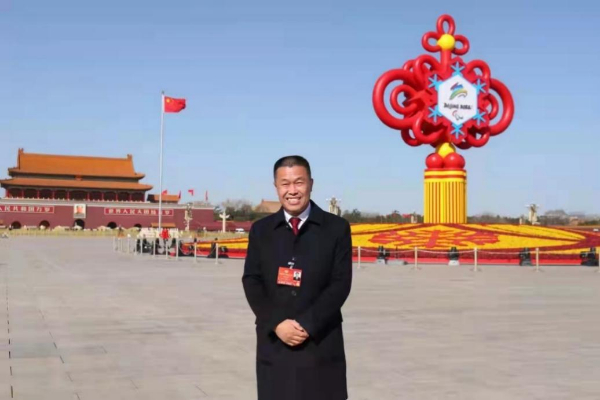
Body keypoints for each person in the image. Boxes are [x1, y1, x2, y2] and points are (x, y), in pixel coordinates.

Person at [242, 155, 352, 400]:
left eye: (299, 182)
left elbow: (340, 283)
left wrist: (307, 324)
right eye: (285, 184)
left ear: (311, 184)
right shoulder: (262, 230)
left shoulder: (336, 228)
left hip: (320, 341)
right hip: (275, 341)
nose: (292, 190)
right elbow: (252, 280)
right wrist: (277, 323)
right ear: (276, 187)